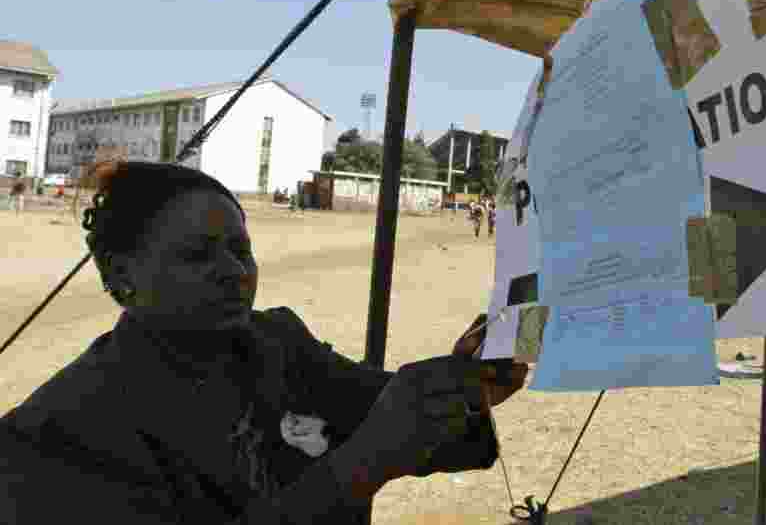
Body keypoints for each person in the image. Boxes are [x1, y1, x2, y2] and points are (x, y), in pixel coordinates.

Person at [0, 160, 528, 523]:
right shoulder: (60, 431)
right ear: (122, 277)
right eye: (197, 254)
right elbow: (376, 442)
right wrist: (360, 466)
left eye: (240, 249)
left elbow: (384, 407)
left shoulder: (277, 343)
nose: (234, 272)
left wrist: (463, 385)